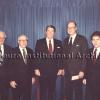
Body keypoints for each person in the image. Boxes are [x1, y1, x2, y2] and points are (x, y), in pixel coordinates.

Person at [35, 25, 63, 100]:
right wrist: (36, 68)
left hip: (54, 72)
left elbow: (61, 57)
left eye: (52, 31)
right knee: (43, 92)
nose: (50, 32)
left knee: (52, 91)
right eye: (48, 30)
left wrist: (60, 68)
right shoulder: (39, 42)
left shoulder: (59, 42)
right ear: (45, 32)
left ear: (54, 32)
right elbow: (36, 56)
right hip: (42, 71)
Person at [63, 21, 88, 100]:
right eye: (68, 27)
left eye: (72, 27)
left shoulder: (82, 39)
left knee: (78, 94)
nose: (70, 29)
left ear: (76, 28)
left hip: (78, 72)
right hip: (67, 73)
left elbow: (85, 56)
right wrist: (63, 68)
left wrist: (82, 70)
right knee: (68, 94)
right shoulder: (65, 40)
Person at [10, 34, 35, 100]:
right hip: (16, 81)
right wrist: (11, 80)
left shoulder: (30, 51)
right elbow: (10, 67)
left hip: (28, 80)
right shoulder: (12, 51)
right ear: (18, 41)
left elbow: (32, 65)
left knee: (27, 97)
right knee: (16, 97)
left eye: (26, 40)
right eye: (22, 40)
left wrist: (33, 76)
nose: (24, 42)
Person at [83, 31, 100, 100]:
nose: (95, 42)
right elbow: (86, 66)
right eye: (93, 39)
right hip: (89, 82)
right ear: (91, 41)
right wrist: (85, 77)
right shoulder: (88, 51)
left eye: (97, 39)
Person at [0, 31, 12, 100]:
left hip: (5, 78)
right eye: (0, 38)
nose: (1, 39)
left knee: (5, 96)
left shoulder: (9, 49)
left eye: (3, 38)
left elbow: (11, 65)